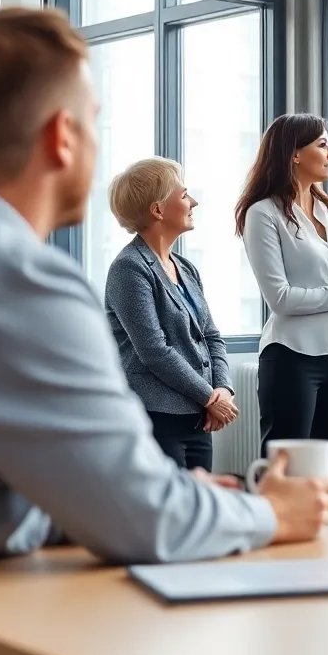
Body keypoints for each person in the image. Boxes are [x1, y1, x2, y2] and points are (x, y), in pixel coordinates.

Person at [0, 8, 328, 655]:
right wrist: (270, 514)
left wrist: (156, 498)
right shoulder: (12, 277)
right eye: (95, 121)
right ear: (63, 137)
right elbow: (142, 521)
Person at [237, 113, 328, 476]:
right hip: (291, 357)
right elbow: (280, 299)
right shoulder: (262, 214)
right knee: (288, 474)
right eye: (322, 144)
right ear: (294, 154)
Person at [104, 157, 238, 472]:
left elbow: (211, 336)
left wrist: (223, 389)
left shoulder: (186, 268)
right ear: (157, 210)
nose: (194, 202)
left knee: (200, 514)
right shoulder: (129, 268)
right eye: (184, 195)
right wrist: (209, 398)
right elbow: (154, 350)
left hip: (197, 417)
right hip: (157, 418)